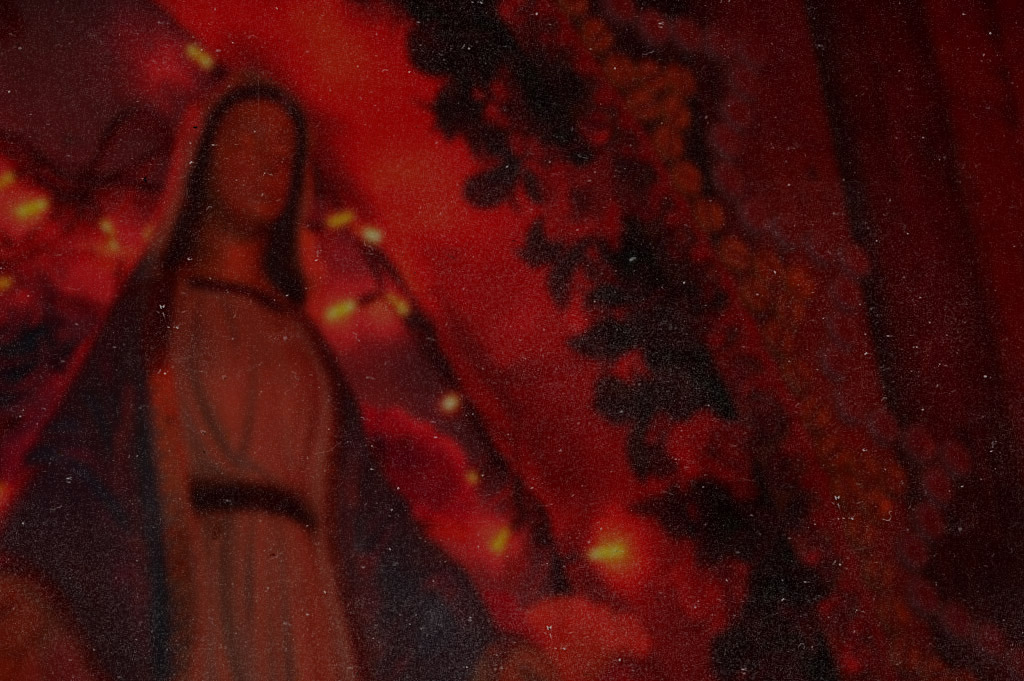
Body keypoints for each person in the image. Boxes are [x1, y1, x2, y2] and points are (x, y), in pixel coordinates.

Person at [0, 83, 514, 681]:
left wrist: (477, 647)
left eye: (284, 152)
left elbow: (372, 519)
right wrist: (27, 575)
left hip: (309, 601)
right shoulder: (158, 310)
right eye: (247, 141)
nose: (270, 162)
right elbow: (86, 450)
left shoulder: (304, 346)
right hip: (199, 583)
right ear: (203, 160)